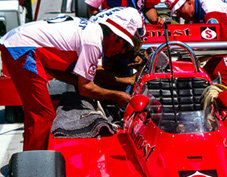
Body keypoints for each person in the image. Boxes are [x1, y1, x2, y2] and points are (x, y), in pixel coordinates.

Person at [0, 10, 143, 151]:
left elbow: (59, 73)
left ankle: (33, 158)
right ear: (113, 36)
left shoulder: (90, 31)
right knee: (43, 116)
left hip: (17, 43)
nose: (123, 51)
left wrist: (92, 85)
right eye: (124, 44)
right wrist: (117, 96)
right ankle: (33, 167)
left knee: (37, 114)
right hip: (20, 48)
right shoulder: (93, 43)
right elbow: (85, 88)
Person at [165, 0, 227, 90]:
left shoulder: (210, 7)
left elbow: (220, 46)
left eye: (178, 10)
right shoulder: (197, 9)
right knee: (206, 76)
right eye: (175, 13)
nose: (178, 15)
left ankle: (225, 110)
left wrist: (197, 60)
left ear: (189, 2)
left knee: (220, 79)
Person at [85, 0, 165, 25]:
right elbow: (93, 7)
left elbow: (148, 7)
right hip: (112, 30)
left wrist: (155, 19)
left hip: (137, 29)